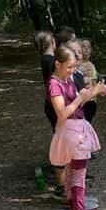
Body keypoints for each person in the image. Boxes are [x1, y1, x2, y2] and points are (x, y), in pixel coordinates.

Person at [48, 45, 106, 210]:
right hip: (70, 131)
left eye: (74, 66)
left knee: (74, 172)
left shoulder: (67, 80)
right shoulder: (55, 84)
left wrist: (95, 91)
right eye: (69, 67)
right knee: (77, 174)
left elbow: (78, 100)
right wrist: (80, 98)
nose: (72, 70)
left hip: (77, 128)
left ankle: (77, 208)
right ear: (57, 64)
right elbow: (62, 112)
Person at [35, 31, 67, 199]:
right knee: (61, 137)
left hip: (51, 103)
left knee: (60, 135)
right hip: (55, 103)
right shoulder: (50, 61)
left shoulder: (45, 59)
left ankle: (63, 173)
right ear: (53, 42)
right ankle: (62, 179)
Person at [78, 38, 99, 124]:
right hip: (81, 102)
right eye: (83, 46)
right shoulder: (76, 65)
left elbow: (94, 82)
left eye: (89, 47)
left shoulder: (92, 65)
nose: (86, 49)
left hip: (92, 101)